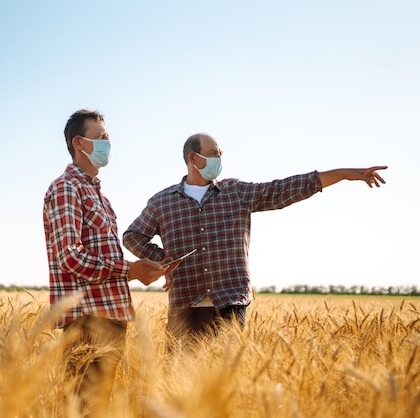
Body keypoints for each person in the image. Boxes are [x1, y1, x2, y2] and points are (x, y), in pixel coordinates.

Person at [122, 132, 387, 344]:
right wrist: (165, 261)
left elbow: (284, 189)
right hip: (185, 303)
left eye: (220, 154)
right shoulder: (162, 202)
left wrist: (342, 174)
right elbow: (133, 235)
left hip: (230, 301)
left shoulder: (236, 192)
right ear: (193, 158)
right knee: (176, 385)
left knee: (227, 384)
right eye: (213, 153)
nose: (219, 159)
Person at [43, 108, 167, 415]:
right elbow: (69, 256)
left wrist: (141, 271)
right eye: (101, 137)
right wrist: (130, 270)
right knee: (84, 408)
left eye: (108, 137)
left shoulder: (100, 195)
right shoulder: (66, 188)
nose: (107, 143)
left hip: (111, 316)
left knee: (99, 407)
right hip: (87, 320)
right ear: (79, 143)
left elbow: (101, 257)